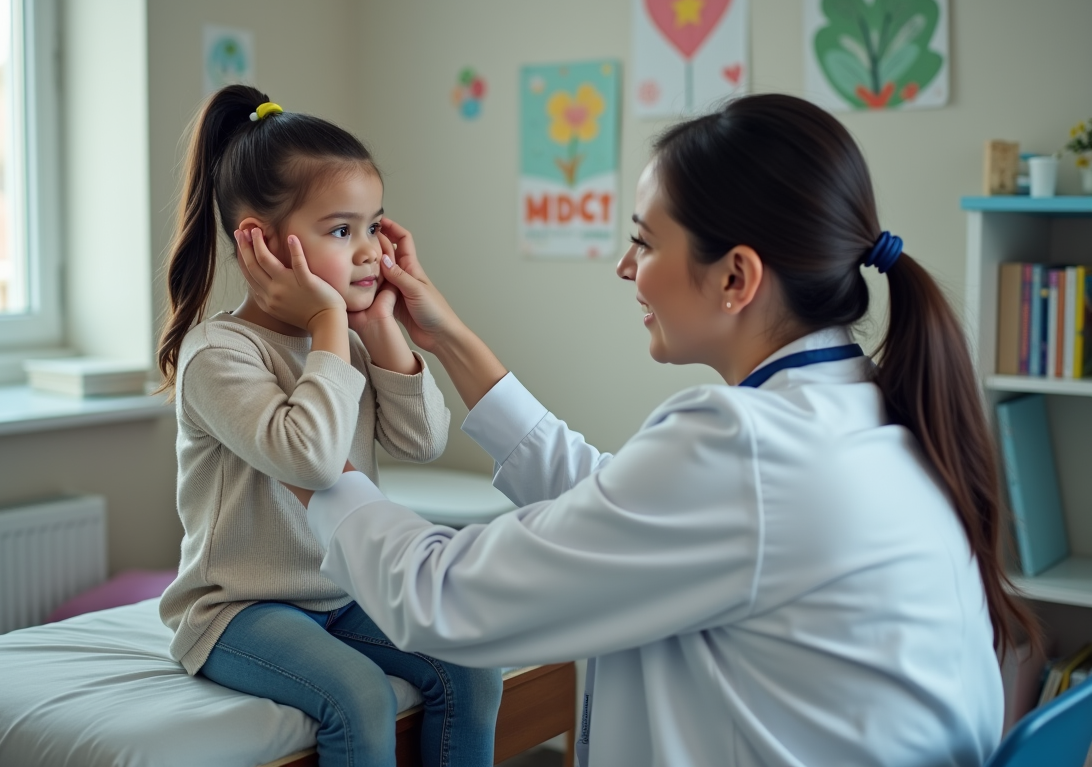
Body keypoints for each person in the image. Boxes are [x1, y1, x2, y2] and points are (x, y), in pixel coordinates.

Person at [235, 93, 1038, 767]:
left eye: (645, 242)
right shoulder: (858, 410)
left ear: (736, 277)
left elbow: (443, 599)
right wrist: (444, 337)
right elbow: (616, 503)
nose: (626, 268)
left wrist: (315, 469)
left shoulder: (745, 446)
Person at [155, 85, 501, 767]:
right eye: (342, 231)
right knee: (359, 696)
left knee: (471, 666)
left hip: (342, 591)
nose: (370, 249)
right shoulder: (218, 355)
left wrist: (381, 331)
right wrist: (327, 327)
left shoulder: (345, 340)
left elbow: (423, 441)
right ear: (259, 240)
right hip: (238, 611)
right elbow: (307, 459)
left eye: (375, 226)